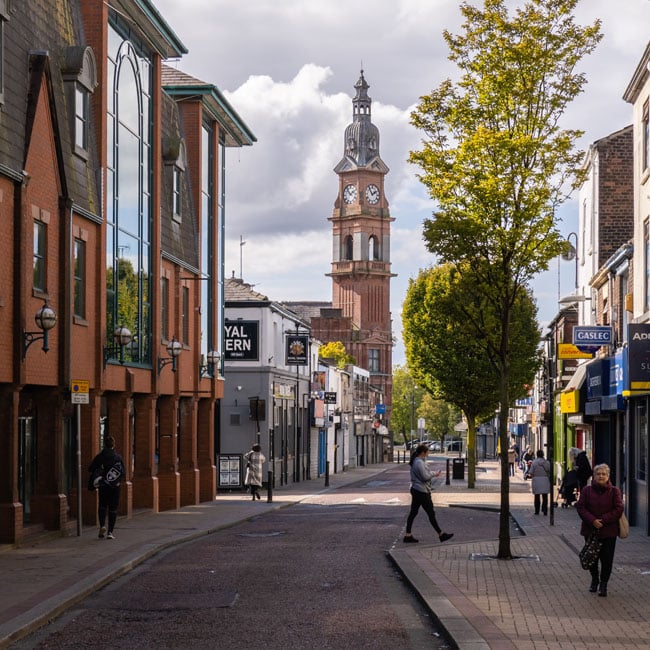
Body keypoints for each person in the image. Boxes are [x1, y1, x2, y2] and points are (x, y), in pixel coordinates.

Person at [576, 464, 623, 597]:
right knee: (592, 558)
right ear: (594, 476)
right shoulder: (586, 490)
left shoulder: (615, 491)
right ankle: (594, 580)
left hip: (609, 532)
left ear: (608, 476)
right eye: (598, 474)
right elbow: (581, 508)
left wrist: (602, 520)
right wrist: (592, 521)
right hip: (590, 531)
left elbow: (618, 509)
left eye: (604, 474)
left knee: (607, 560)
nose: (601, 476)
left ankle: (603, 584)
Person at [403, 443, 454, 544]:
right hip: (421, 491)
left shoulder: (419, 461)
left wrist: (431, 473)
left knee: (413, 513)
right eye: (427, 451)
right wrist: (435, 474)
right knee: (430, 513)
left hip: (417, 490)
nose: (429, 453)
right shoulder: (418, 463)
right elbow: (425, 477)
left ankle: (408, 535)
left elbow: (424, 475)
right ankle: (441, 534)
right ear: (423, 452)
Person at [88, 436, 125, 540]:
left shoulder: (100, 457)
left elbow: (91, 468)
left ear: (105, 444)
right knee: (113, 509)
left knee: (102, 506)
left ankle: (102, 526)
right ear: (114, 445)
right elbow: (123, 472)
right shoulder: (118, 457)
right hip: (115, 487)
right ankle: (110, 532)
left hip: (103, 485)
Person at [526, 449, 550, 515]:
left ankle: (537, 511)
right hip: (545, 480)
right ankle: (545, 510)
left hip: (536, 480)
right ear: (543, 454)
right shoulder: (546, 462)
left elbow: (531, 472)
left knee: (537, 497)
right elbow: (549, 470)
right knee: (545, 497)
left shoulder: (534, 462)